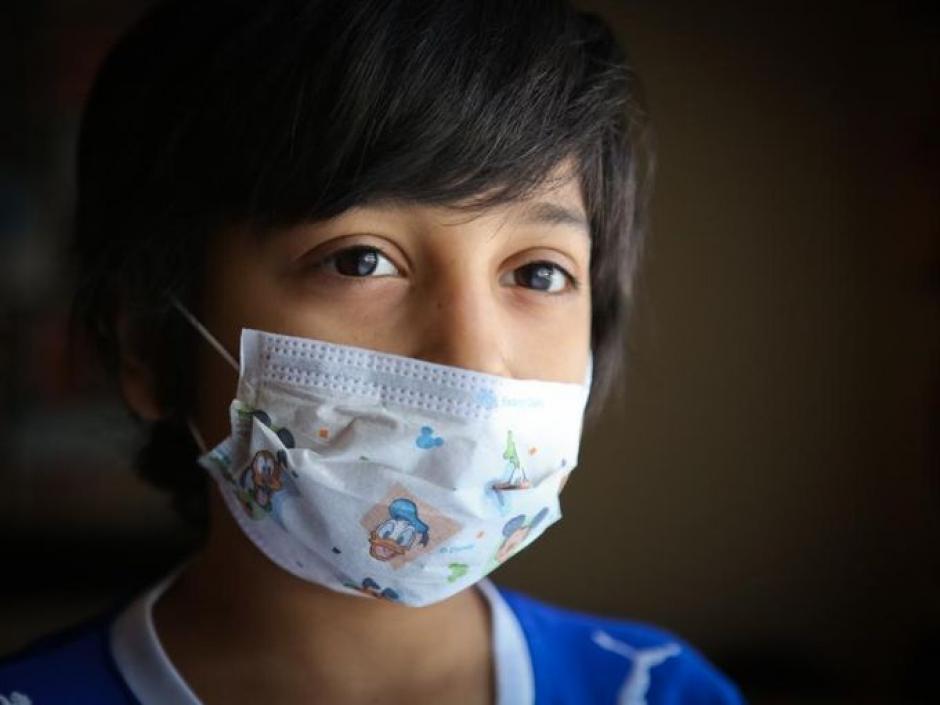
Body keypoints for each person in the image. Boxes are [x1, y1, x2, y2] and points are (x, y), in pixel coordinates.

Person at [0, 1, 743, 703]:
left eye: (539, 273)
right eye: (361, 261)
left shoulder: (659, 690)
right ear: (146, 344)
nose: (473, 360)